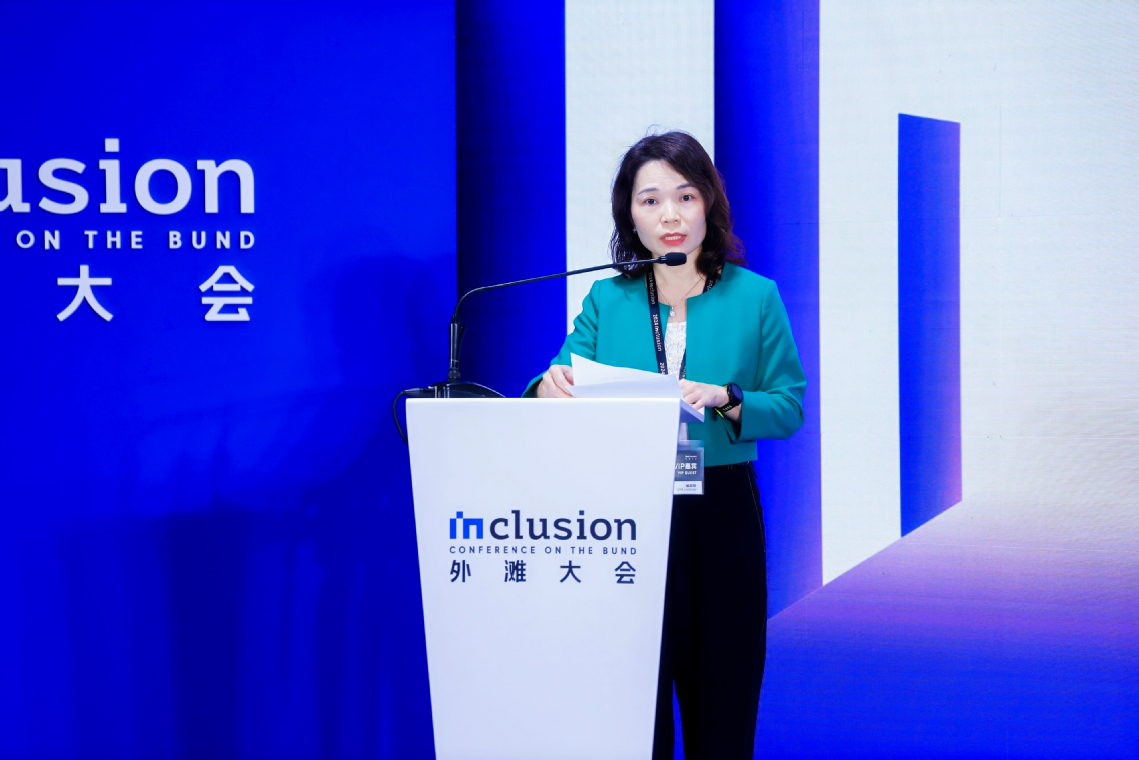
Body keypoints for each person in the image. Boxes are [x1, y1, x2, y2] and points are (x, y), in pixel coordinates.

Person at [523, 131, 806, 759]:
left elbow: (789, 407)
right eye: (650, 200)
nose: (670, 215)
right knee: (632, 699)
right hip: (626, 514)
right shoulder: (607, 298)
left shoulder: (756, 296)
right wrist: (548, 386)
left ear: (709, 202)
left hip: (722, 512)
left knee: (723, 693)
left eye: (685, 196)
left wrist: (728, 398)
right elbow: (555, 376)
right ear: (631, 214)